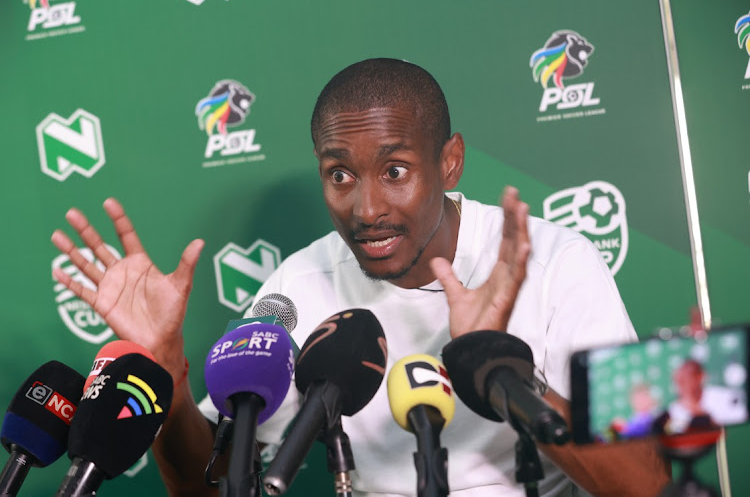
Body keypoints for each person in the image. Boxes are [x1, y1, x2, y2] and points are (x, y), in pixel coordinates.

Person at [51, 58, 670, 496]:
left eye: (396, 170)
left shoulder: (557, 261)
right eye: (339, 175)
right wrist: (168, 374)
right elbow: (205, 486)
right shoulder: (300, 286)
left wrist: (499, 366)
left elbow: (646, 483)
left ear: (449, 161)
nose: (366, 208)